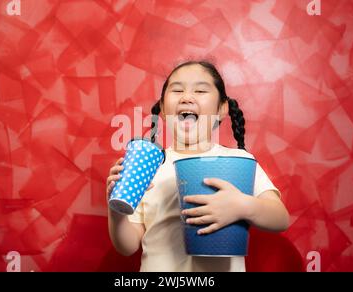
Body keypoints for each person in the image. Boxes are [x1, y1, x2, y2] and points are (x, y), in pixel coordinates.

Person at [107, 61, 289, 271]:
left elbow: (280, 217)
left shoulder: (239, 161)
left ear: (222, 109)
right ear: (163, 110)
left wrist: (242, 206)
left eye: (201, 90)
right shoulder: (147, 167)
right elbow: (127, 246)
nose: (186, 97)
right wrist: (117, 210)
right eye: (177, 90)